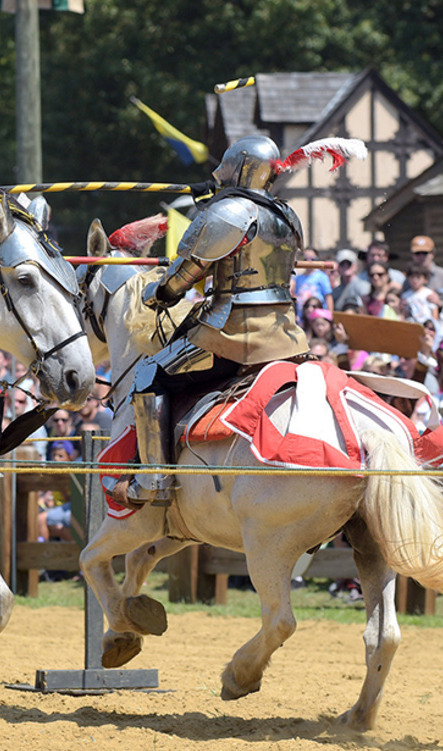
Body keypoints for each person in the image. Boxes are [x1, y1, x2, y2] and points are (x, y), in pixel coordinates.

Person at [118, 135, 312, 505]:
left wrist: (159, 294)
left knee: (147, 375)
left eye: (225, 164)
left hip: (233, 334)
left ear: (241, 166)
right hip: (286, 333)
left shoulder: (231, 212)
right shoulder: (287, 215)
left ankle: (154, 481)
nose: (218, 171)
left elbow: (183, 276)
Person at [408, 235, 443, 309]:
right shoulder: (408, 279)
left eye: (425, 253)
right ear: (412, 255)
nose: (421, 257)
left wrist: (440, 302)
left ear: (433, 253)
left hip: (442, 315)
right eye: (417, 253)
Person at [294, 247, 334, 319]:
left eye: (312, 259)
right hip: (302, 316)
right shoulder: (298, 278)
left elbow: (328, 297)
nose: (309, 262)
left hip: (318, 316)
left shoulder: (322, 276)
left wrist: (330, 316)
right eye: (305, 259)